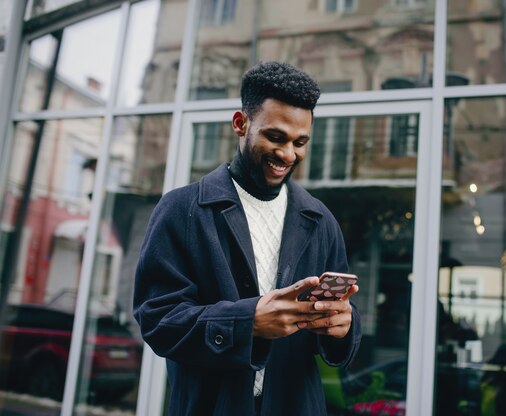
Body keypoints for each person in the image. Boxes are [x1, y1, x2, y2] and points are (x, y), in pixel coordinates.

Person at [133, 61, 361, 415]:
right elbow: (158, 321)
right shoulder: (180, 209)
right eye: (276, 137)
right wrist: (248, 322)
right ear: (241, 124)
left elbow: (341, 333)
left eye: (300, 142)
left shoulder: (321, 221)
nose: (288, 154)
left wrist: (343, 325)